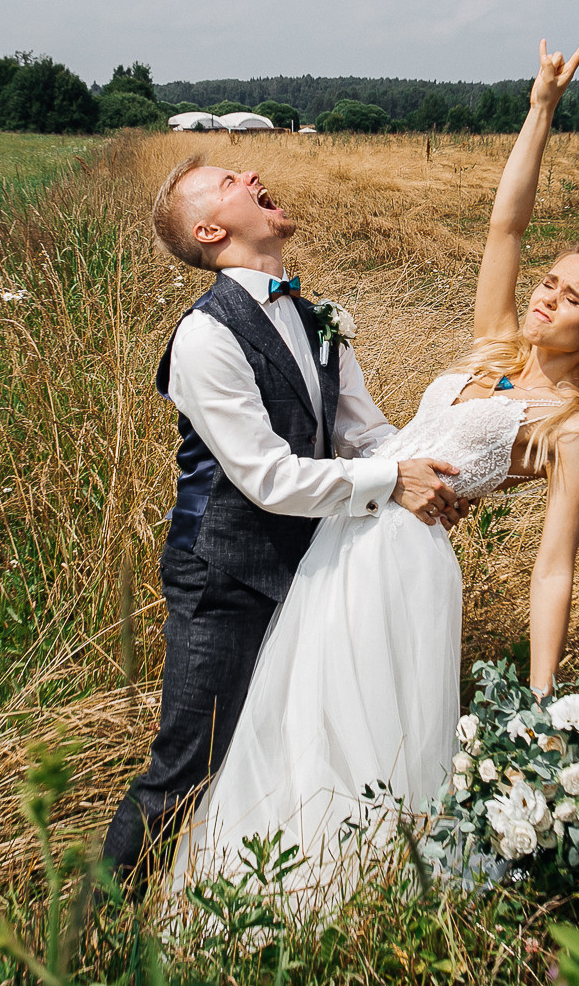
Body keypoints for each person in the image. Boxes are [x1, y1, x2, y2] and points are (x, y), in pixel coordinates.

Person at [168, 35, 579, 905]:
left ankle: (357, 894)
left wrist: (543, 693)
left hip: (402, 555)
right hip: (346, 527)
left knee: (366, 725)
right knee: (303, 714)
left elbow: (554, 564)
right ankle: (262, 888)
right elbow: (505, 224)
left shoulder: (573, 427)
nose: (544, 295)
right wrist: (540, 111)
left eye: (569, 297)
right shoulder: (495, 347)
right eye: (549, 281)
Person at [101, 151, 469, 885]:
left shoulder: (317, 316)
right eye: (226, 181)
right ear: (208, 229)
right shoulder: (205, 336)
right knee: (187, 764)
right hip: (224, 577)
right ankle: (87, 930)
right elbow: (267, 476)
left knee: (282, 741)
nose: (247, 174)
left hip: (310, 570)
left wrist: (441, 461)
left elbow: (365, 434)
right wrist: (392, 479)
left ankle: (254, 892)